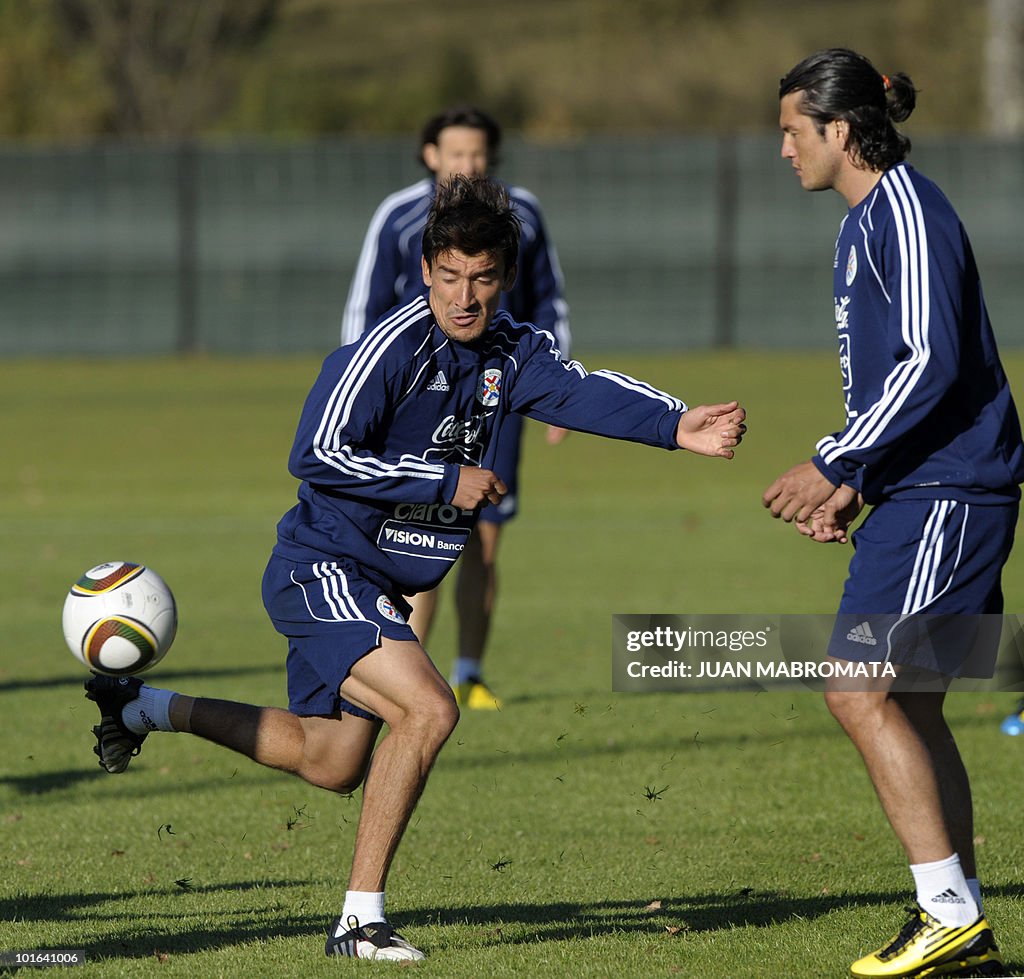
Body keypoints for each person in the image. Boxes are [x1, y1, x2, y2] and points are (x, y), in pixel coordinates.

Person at [85, 174, 746, 963]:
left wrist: (676, 423)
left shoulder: (513, 350)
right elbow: (316, 454)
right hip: (320, 568)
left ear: (504, 277)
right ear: (428, 267)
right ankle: (359, 921)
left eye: (485, 278)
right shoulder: (388, 348)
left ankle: (142, 705)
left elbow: (579, 392)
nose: (466, 296)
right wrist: (442, 480)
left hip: (376, 585)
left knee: (331, 763)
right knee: (430, 709)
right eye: (451, 275)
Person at [763, 48, 1022, 979]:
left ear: (839, 129)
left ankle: (947, 914)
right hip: (920, 489)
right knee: (910, 701)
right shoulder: (864, 224)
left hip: (949, 492)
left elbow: (928, 361)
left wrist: (835, 461)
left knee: (856, 686)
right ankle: (967, 928)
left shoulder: (904, 212)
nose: (783, 149)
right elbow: (903, 382)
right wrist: (856, 486)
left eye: (793, 131)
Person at [341, 104, 571, 711]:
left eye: (477, 153)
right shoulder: (398, 216)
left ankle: (470, 672)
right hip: (416, 401)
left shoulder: (523, 213)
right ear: (430, 155)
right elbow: (363, 311)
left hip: (499, 397)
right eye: (456, 153)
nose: (467, 163)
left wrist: (553, 392)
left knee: (485, 539)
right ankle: (407, 678)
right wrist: (360, 394)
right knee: (418, 535)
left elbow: (549, 301)